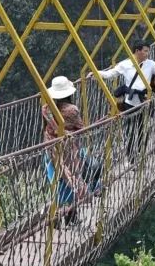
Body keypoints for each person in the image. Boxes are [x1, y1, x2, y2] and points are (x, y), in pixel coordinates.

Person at [92, 40, 155, 159]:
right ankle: (131, 157)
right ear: (137, 51)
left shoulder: (150, 64)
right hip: (130, 102)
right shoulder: (125, 64)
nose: (147, 54)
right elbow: (110, 74)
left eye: (148, 51)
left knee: (143, 128)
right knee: (130, 130)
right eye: (145, 51)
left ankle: (141, 154)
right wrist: (95, 73)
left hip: (144, 100)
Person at [41, 75, 98, 225]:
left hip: (50, 149)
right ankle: (70, 216)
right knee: (72, 179)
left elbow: (49, 128)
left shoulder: (46, 108)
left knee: (58, 181)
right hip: (68, 151)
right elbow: (81, 129)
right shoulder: (72, 110)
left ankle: (56, 217)